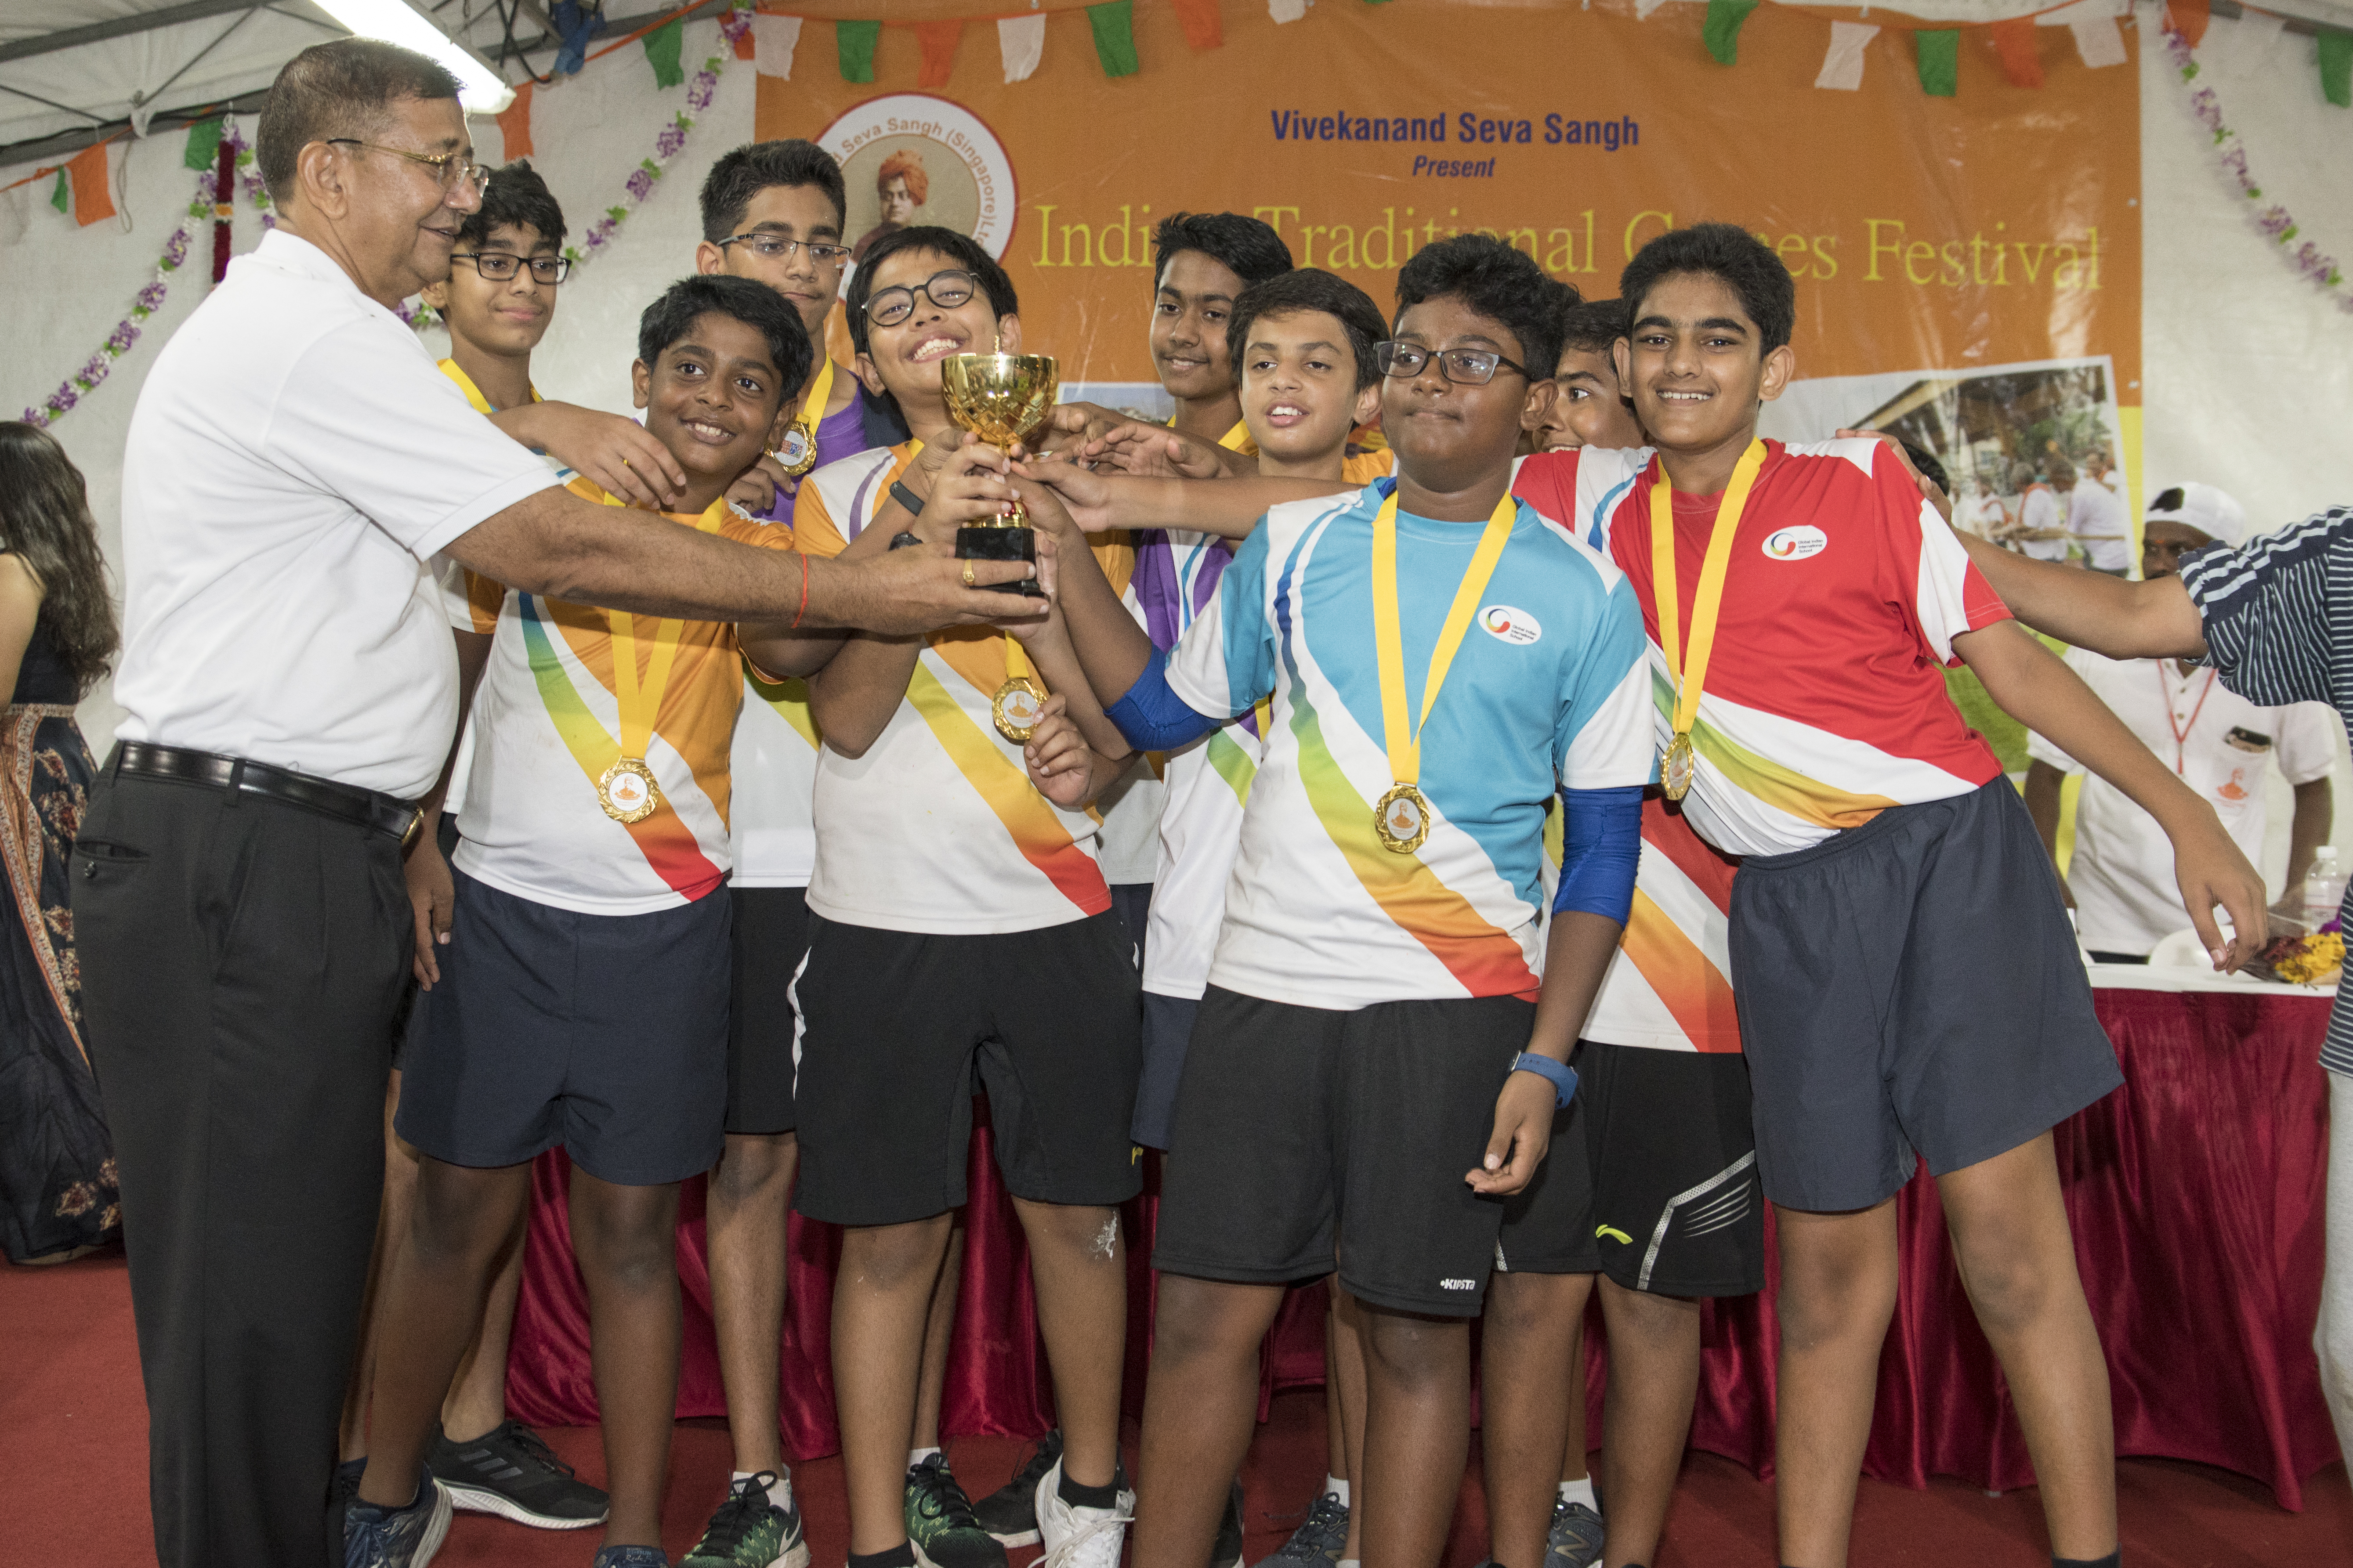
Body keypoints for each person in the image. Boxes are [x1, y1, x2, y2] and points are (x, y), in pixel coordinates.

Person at [73, 38, 1035, 1568]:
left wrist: (549, 430)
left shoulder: (356, 341)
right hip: (241, 854)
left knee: (291, 1287)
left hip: (302, 850)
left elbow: (516, 467)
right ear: (329, 175)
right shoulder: (313, 337)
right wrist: (852, 581)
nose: (463, 197)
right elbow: (558, 551)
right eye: (436, 164)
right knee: (251, 1305)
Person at [1505, 221, 2266, 1568]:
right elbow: (1348, 495)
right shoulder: (1580, 508)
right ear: (1620, 360)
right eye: (1658, 337)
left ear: (1775, 366)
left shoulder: (1856, 478)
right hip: (1789, 907)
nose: (1685, 362)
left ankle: (2090, 1555)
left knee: (2006, 1244)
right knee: (1830, 1274)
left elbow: (2015, 667)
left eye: (1720, 338)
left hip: (1949, 863)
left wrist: (2186, 809)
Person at [1040, 232, 1654, 1568]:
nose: (1436, 382)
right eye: (1416, 355)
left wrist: (1546, 1060)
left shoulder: (1587, 594)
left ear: (1535, 399)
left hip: (1453, 1013)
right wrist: (1053, 551)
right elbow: (1158, 710)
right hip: (1259, 993)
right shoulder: (1295, 540)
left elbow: (1605, 850)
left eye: (1474, 361)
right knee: (1203, 1322)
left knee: (1416, 1336)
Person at [358, 273, 821, 1568]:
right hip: (496, 911)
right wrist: (424, 838)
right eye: (687, 367)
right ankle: (389, 1485)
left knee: (630, 1236)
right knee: (451, 1212)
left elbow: (796, 657)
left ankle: (631, 1531)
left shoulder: (765, 545)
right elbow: (408, 469)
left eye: (748, 382)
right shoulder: (533, 508)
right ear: (639, 379)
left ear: (783, 411)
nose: (711, 398)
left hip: (666, 926)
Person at [774, 224, 1147, 1568]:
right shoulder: (841, 498)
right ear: (863, 352)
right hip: (883, 918)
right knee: (888, 1237)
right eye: (892, 308)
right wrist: (924, 528)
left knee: (1081, 1219)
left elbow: (1133, 705)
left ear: (1004, 329)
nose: (925, 319)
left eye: (954, 296)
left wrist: (1101, 744)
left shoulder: (1088, 487)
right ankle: (876, 1537)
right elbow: (851, 720)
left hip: (1057, 910)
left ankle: (1091, 1499)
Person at [1937, 488, 2353, 1515]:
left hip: (2238, 952)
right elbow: (2129, 619)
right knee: (2348, 1349)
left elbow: (2307, 793)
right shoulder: (2342, 553)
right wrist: (1912, 527)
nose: (2166, 554)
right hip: (2143, 951)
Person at [334, 157, 611, 1536]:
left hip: (542, 828)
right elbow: (436, 643)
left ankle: (474, 1421)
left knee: (494, 1147)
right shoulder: (413, 404)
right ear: (443, 276)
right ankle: (365, 1441)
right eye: (490, 258)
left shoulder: (574, 433)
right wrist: (420, 833)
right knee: (418, 1152)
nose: (516, 284)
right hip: (422, 817)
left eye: (540, 262)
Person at [2024, 482, 2335, 961]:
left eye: (2179, 550)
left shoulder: (2279, 660)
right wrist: (2050, 884)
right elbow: (2045, 778)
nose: (2158, 564)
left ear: (2224, 562)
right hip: (2105, 924)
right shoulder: (2096, 652)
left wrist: (2294, 900)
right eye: (2151, 549)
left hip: (2229, 934)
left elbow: (2312, 786)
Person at [0, 423, 120, 1266]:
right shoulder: (61, 568)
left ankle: (65, 1194)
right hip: (60, 772)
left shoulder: (10, 568)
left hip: (13, 784)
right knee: (65, 985)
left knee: (30, 994)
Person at [2057, 456, 2133, 576]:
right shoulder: (2086, 484)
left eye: (2093, 462)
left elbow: (2070, 531)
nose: (2091, 466)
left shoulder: (2108, 477)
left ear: (2101, 463)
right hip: (2102, 549)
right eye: (2088, 463)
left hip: (2111, 555)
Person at [851, 147, 927, 261]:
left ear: (915, 200)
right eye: (888, 196)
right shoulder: (866, 246)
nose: (895, 203)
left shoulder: (926, 245)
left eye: (902, 196)